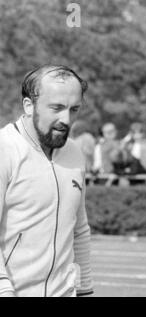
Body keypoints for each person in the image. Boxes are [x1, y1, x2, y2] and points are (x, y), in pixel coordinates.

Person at [0, 65, 93, 297]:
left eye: (74, 109)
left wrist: (84, 289)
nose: (66, 119)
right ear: (29, 106)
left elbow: (79, 231)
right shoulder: (5, 149)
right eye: (57, 108)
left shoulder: (75, 153)